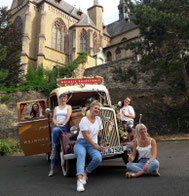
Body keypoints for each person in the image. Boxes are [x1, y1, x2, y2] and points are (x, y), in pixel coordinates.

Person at [74, 100, 104, 192]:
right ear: (90, 108)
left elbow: (99, 133)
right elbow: (86, 136)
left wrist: (101, 142)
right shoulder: (84, 120)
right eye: (95, 108)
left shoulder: (98, 120)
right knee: (81, 154)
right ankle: (79, 180)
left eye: (98, 109)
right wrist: (96, 147)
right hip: (81, 143)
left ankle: (85, 173)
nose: (97, 110)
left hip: (93, 144)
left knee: (98, 158)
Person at [48, 93, 72, 177]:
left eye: (64, 98)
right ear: (59, 99)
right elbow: (54, 118)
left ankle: (54, 149)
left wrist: (64, 123)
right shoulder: (56, 108)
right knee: (54, 130)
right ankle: (52, 169)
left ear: (66, 99)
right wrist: (56, 124)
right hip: (57, 126)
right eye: (61, 98)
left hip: (64, 126)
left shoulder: (69, 107)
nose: (63, 99)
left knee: (55, 131)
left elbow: (68, 116)